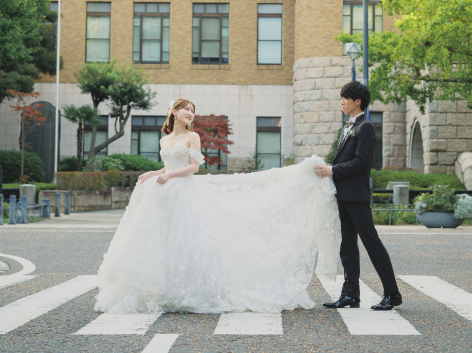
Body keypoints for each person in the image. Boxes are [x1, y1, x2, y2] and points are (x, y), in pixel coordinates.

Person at [94, 98, 341, 314]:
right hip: (163, 193)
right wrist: (152, 173)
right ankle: (162, 290)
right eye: (185, 109)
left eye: (192, 110)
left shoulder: (193, 136)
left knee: (188, 240)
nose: (190, 113)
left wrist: (169, 176)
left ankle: (190, 290)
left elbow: (193, 167)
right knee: (162, 240)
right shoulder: (164, 139)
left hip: (184, 191)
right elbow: (167, 165)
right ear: (174, 112)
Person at [314, 81, 403, 311]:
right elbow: (346, 160)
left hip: (357, 196)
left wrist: (333, 170)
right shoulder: (348, 127)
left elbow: (362, 162)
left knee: (372, 244)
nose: (342, 102)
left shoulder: (366, 127)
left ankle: (392, 294)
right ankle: (350, 295)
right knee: (348, 246)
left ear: (358, 101)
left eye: (345, 98)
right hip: (343, 195)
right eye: (341, 98)